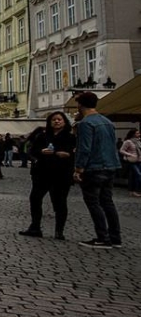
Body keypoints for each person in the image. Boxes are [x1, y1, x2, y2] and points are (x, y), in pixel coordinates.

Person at [73, 91, 122, 249]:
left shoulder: (85, 124)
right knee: (107, 202)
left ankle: (103, 237)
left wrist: (78, 169)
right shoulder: (107, 122)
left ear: (80, 105)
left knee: (93, 202)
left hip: (94, 167)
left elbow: (84, 148)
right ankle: (115, 237)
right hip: (111, 165)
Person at [18, 112, 75, 240]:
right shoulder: (42, 136)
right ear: (49, 122)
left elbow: (74, 153)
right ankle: (35, 227)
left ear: (64, 122)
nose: (57, 122)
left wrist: (67, 155)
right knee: (35, 199)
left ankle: (59, 231)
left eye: (59, 119)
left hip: (61, 174)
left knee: (60, 203)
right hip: (42, 173)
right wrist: (41, 152)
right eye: (54, 119)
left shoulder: (70, 137)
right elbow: (32, 151)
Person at [119, 129, 141, 197]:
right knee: (138, 175)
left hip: (138, 160)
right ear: (133, 134)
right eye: (137, 133)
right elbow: (121, 150)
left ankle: (132, 191)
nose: (139, 134)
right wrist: (130, 155)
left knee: (132, 176)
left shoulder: (138, 141)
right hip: (132, 161)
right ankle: (136, 190)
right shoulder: (128, 141)